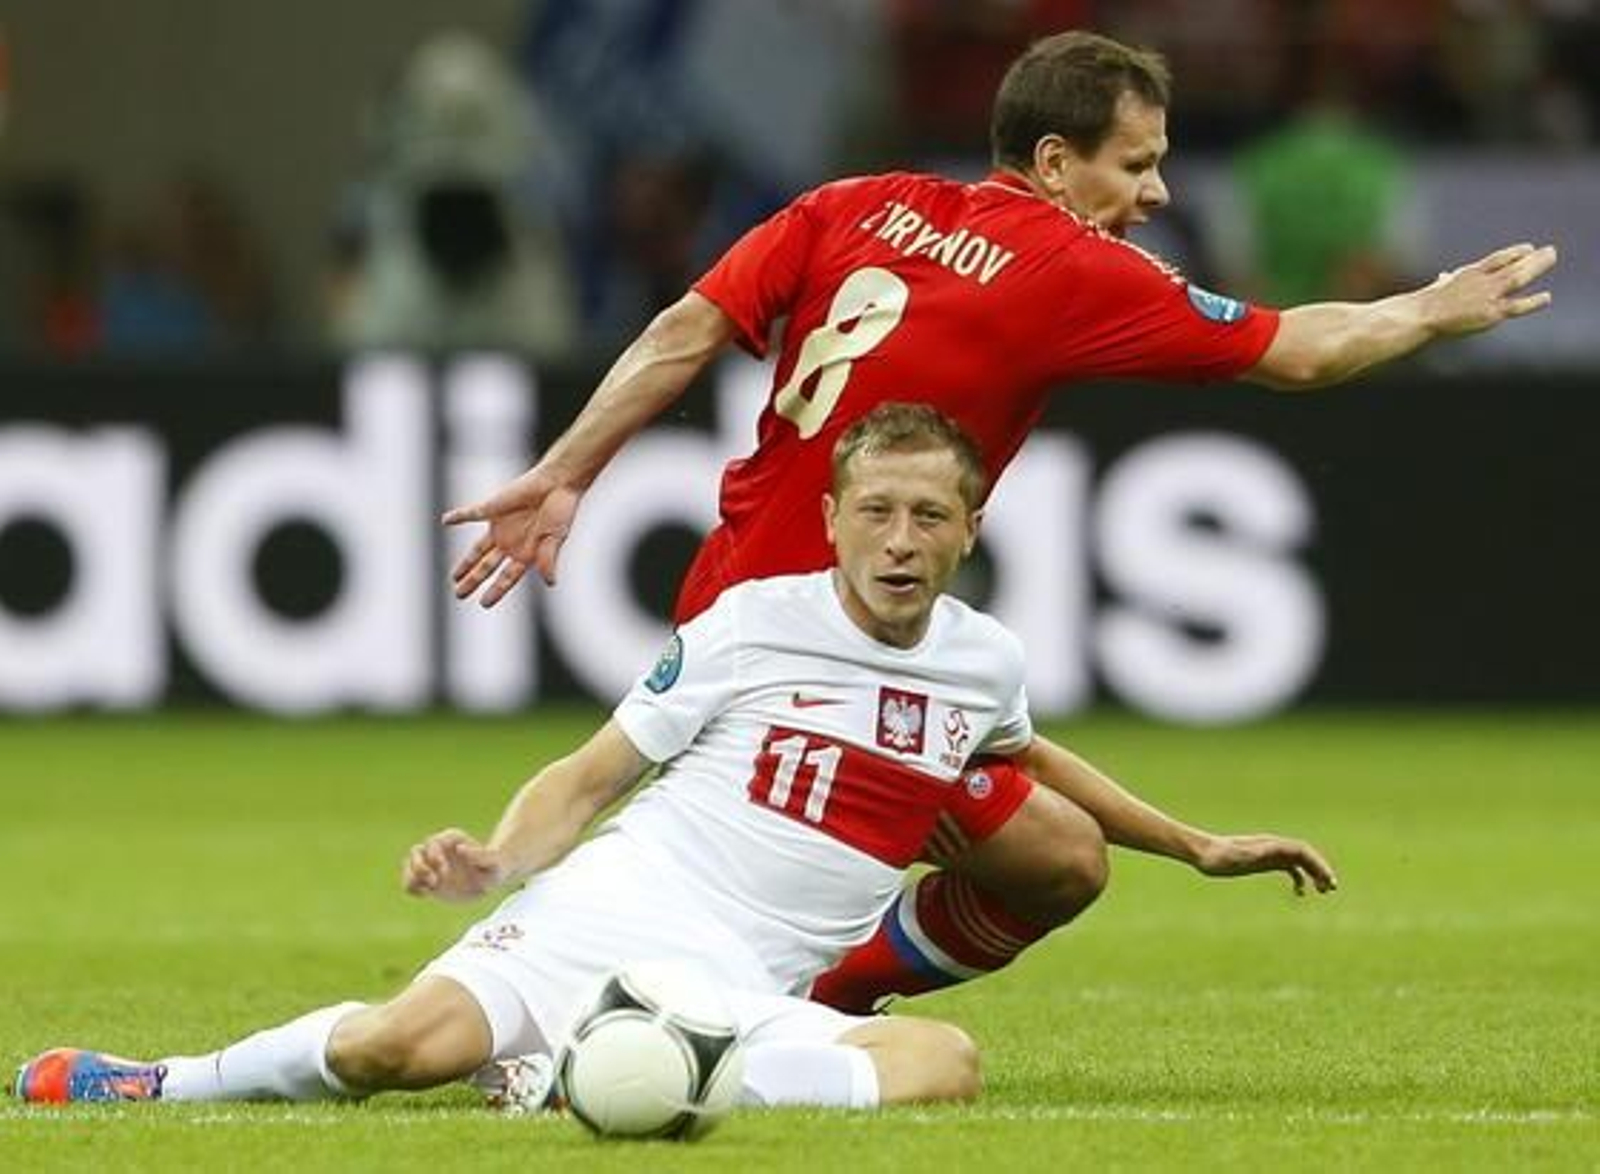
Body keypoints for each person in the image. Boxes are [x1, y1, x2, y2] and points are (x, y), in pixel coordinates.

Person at [441, 30, 1552, 1013]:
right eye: (1137, 164)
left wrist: (562, 471)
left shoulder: (853, 203)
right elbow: (1296, 351)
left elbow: (682, 332)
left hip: (733, 593)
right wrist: (1427, 307)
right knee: (1051, 862)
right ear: (1056, 164)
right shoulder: (1072, 267)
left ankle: (726, 997)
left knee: (1028, 852)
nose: (1156, 193)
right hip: (835, 640)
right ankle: (728, 1001)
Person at [20, 405, 1327, 1113]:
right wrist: (499, 857)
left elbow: (1029, 750)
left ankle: (602, 1072)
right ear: (831, 518)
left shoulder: (979, 659)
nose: (899, 537)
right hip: (623, 900)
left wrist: (1197, 844)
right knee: (387, 1053)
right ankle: (163, 1081)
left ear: (971, 529)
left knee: (947, 1067)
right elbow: (593, 774)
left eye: (930, 514)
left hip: (749, 971)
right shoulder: (753, 622)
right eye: (874, 509)